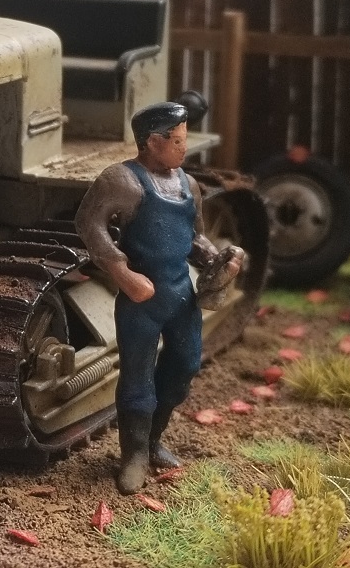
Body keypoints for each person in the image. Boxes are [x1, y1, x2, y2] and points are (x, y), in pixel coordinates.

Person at [74, 102, 242, 494]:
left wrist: (217, 259)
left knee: (184, 366)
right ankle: (133, 455)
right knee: (137, 379)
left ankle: (153, 440)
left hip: (181, 297)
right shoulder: (122, 180)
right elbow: (89, 224)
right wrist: (122, 273)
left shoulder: (188, 184)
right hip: (141, 302)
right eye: (178, 141)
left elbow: (195, 237)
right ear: (153, 141)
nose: (185, 148)